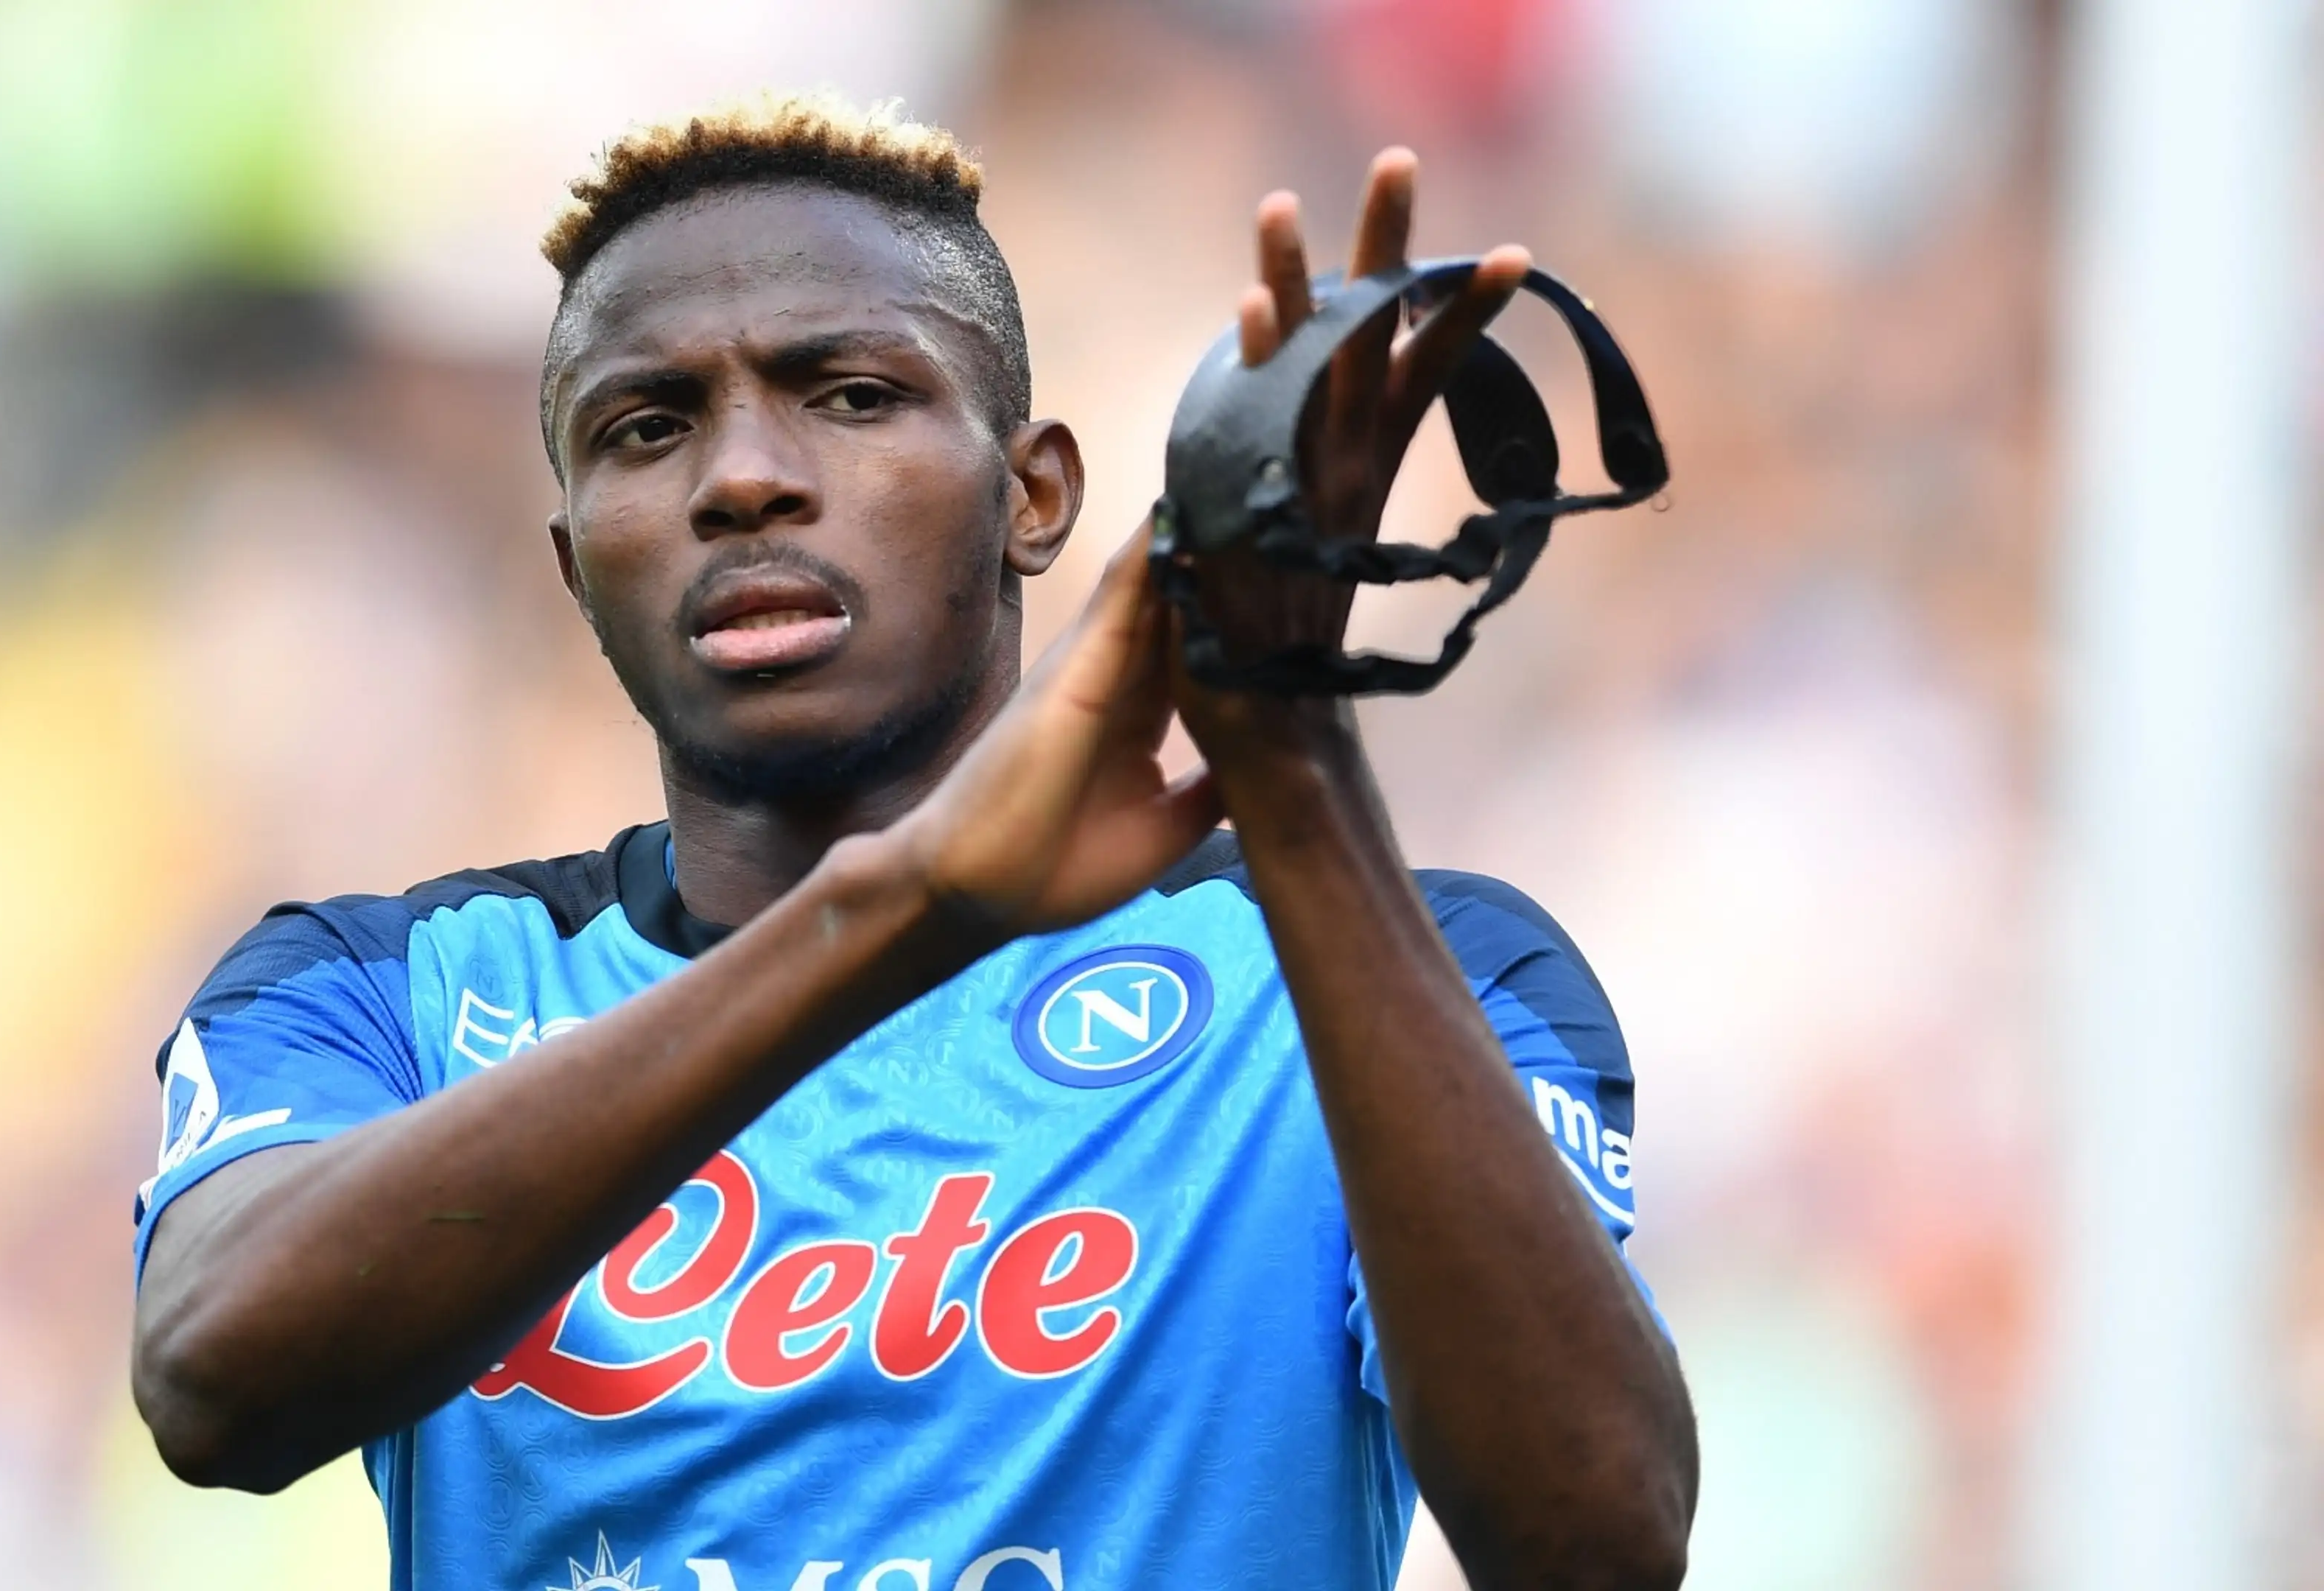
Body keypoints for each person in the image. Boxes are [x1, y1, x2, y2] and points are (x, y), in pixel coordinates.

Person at [127, 95, 1696, 1591]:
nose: (744, 479)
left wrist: (1289, 757)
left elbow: (1596, 1541)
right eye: (647, 427)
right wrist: (912, 908)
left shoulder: (1413, 975)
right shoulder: (379, 995)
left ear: (1035, 496)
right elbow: (212, 1382)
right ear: (573, 564)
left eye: (853, 396)